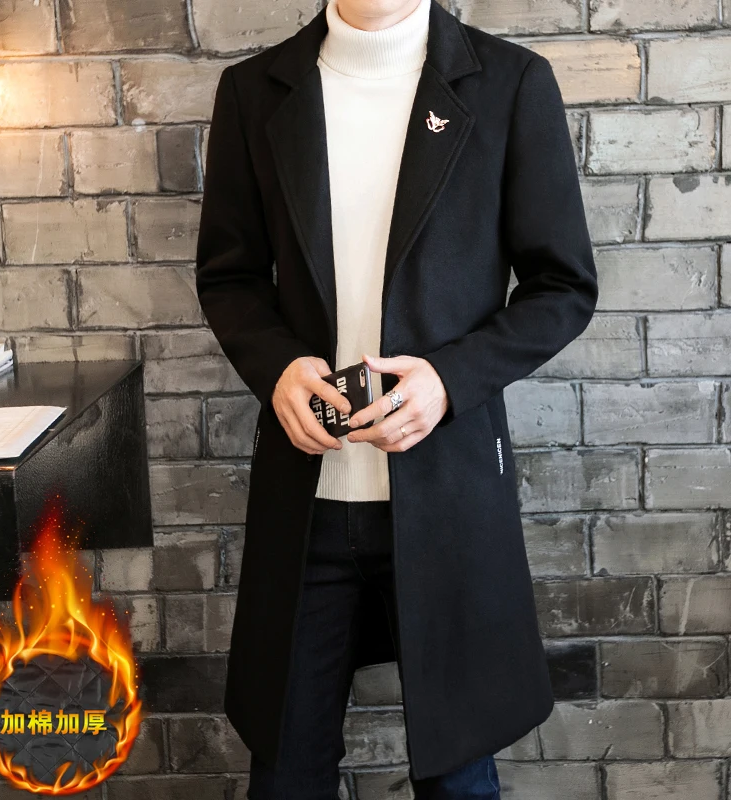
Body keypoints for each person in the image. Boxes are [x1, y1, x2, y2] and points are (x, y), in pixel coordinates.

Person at [195, 0, 598, 796]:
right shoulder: (253, 90)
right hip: (307, 498)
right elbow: (229, 275)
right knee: (285, 775)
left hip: (447, 491)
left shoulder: (511, 83)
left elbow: (562, 286)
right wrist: (278, 367)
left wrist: (449, 380)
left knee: (457, 778)